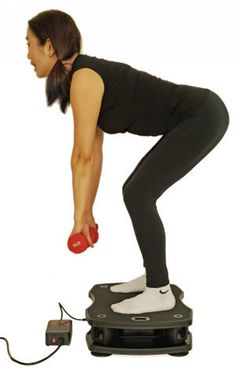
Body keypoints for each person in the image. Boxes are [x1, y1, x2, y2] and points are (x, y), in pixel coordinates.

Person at [26, 9, 229, 315]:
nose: (26, 54)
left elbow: (82, 157)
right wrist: (86, 213)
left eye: (29, 44)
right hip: (201, 115)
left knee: (138, 194)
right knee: (135, 189)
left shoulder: (84, 77)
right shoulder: (81, 77)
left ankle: (159, 290)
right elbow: (92, 153)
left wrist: (78, 219)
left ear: (50, 46)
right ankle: (154, 275)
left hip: (202, 116)